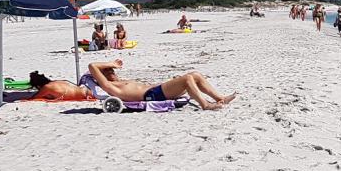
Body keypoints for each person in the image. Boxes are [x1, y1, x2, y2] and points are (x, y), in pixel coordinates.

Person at [87, 59, 236, 110]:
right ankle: (205, 105)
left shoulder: (120, 82)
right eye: (109, 70)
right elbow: (92, 65)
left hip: (156, 90)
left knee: (195, 75)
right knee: (186, 79)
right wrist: (110, 63)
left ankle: (219, 97)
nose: (113, 71)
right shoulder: (111, 87)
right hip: (152, 96)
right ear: (104, 76)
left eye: (112, 69)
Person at [26, 71, 94, 101]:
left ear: (38, 86)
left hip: (85, 95)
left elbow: (34, 98)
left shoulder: (46, 87)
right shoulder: (57, 82)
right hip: (86, 89)